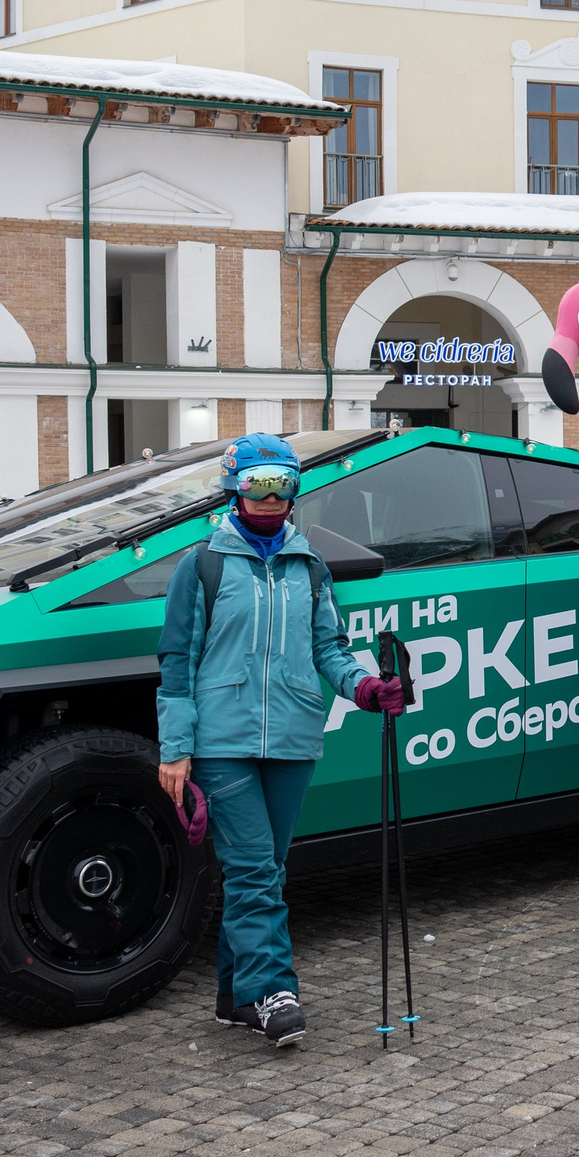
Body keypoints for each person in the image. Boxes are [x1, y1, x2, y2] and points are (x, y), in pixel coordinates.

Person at [156, 433, 404, 1048]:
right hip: (221, 743)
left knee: (266, 869)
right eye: (257, 485)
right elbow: (177, 662)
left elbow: (330, 650)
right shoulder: (203, 565)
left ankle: (233, 997)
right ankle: (273, 991)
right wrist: (175, 747)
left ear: (295, 491)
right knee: (253, 871)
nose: (270, 499)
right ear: (233, 488)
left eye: (282, 486)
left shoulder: (309, 565)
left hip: (293, 739)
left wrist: (369, 689)